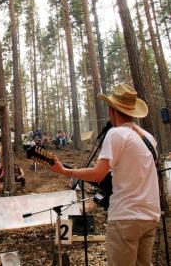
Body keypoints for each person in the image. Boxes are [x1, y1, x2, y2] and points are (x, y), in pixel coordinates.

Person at [50, 84, 160, 266]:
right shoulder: (149, 138)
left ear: (111, 110)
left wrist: (64, 170)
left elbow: (97, 175)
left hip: (126, 217)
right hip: (150, 216)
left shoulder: (116, 134)